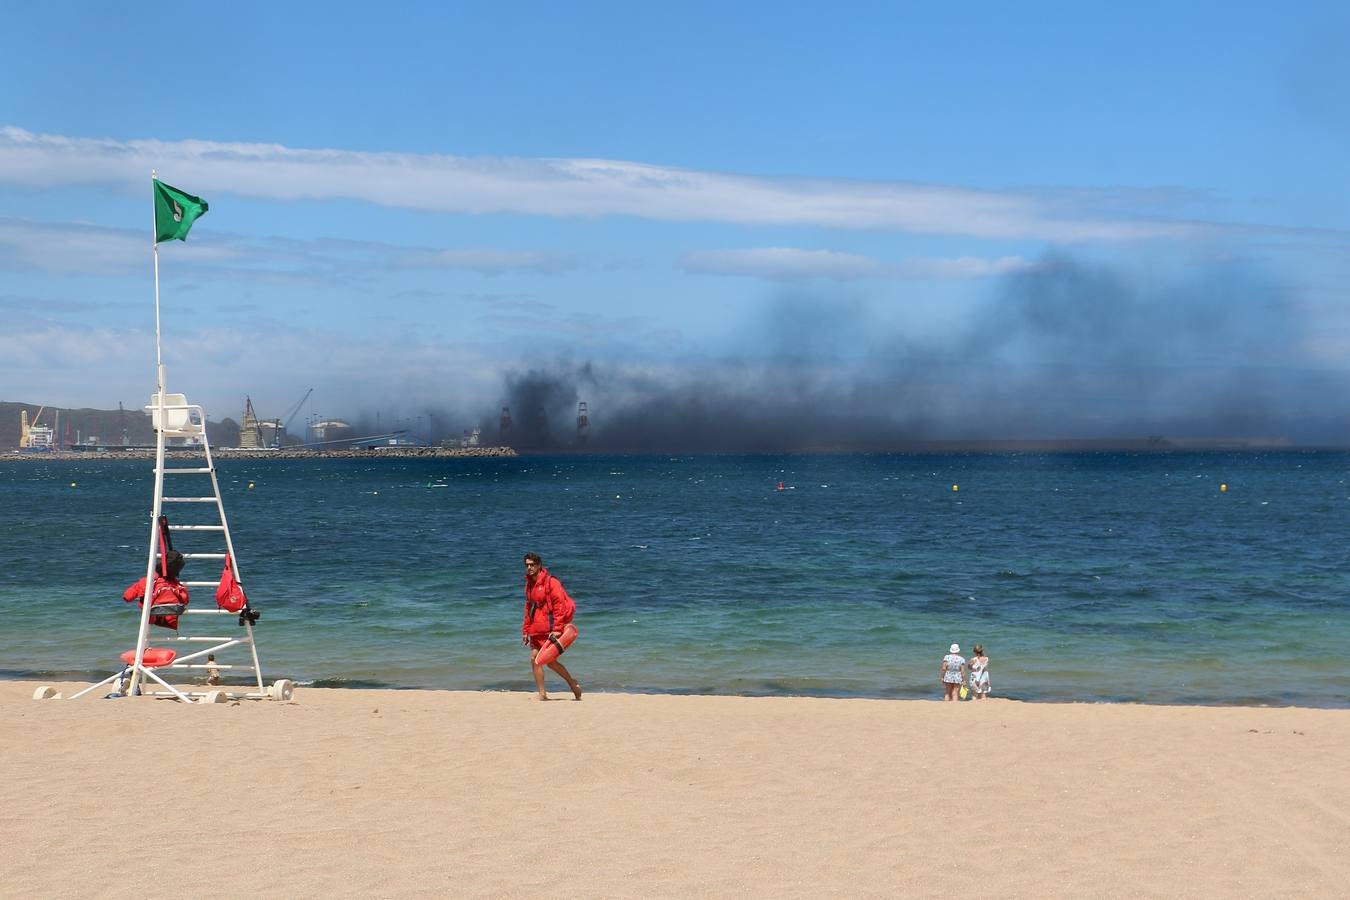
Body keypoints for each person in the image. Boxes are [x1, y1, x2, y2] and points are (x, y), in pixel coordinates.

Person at [521, 552, 582, 701]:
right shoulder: (529, 584)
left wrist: (557, 628)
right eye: (527, 565)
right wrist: (525, 630)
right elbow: (529, 608)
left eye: (532, 565)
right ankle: (543, 693)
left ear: (539, 565)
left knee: (548, 662)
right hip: (536, 629)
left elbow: (559, 606)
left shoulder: (551, 582)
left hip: (550, 630)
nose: (529, 568)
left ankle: (572, 683)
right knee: (535, 659)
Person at [122, 549, 189, 630]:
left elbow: (127, 597)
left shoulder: (147, 581)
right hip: (171, 612)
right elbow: (185, 600)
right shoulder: (176, 585)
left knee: (144, 597)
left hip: (152, 611)